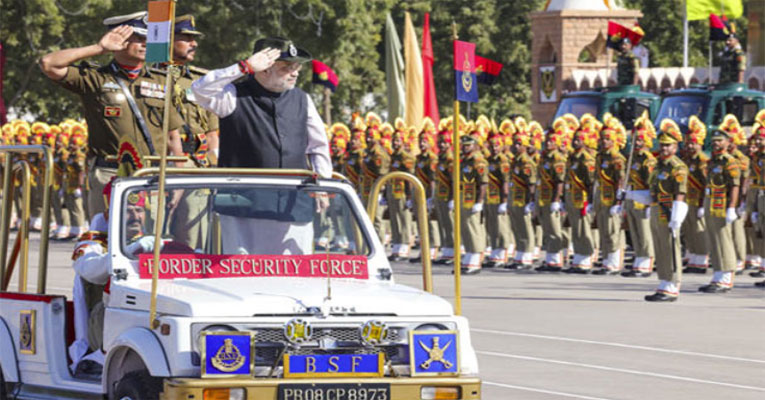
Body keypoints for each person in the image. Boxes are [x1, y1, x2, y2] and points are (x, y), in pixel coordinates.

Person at [38, 11, 186, 217]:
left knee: (149, 243)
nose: (145, 44)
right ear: (119, 40)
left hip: (153, 175)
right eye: (139, 39)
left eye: (149, 39)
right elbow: (48, 63)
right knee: (105, 239)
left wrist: (178, 178)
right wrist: (98, 48)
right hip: (110, 173)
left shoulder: (161, 81)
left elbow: (172, 136)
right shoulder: (95, 78)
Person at [190, 37, 330, 177]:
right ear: (264, 69)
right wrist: (244, 67)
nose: (295, 73)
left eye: (297, 67)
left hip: (294, 194)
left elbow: (318, 147)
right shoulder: (233, 96)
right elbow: (199, 89)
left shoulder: (302, 99)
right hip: (243, 194)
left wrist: (322, 186)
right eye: (287, 67)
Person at [154, 14, 219, 251]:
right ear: (168, 41)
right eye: (186, 38)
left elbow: (212, 132)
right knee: (151, 232)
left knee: (193, 238)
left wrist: (216, 167)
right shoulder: (150, 78)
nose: (194, 44)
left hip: (196, 164)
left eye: (194, 39)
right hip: (159, 162)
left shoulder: (202, 80)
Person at [630, 119, 689, 302]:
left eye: (668, 145)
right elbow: (652, 192)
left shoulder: (677, 167)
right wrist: (630, 195)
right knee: (660, 247)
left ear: (676, 146)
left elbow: (680, 192)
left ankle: (673, 284)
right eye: (662, 145)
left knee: (671, 248)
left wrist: (677, 217)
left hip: (670, 210)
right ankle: (663, 282)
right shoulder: (658, 166)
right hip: (657, 209)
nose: (664, 148)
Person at [699, 128, 741, 293]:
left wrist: (732, 207)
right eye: (714, 140)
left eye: (720, 140)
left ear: (728, 142)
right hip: (711, 203)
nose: (716, 143)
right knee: (713, 240)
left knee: (724, 241)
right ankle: (717, 275)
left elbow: (735, 185)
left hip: (722, 204)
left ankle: (726, 277)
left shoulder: (729, 161)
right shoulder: (713, 161)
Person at [622, 113, 656, 277]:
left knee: (644, 233)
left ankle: (646, 262)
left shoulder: (647, 160)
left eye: (640, 140)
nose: (636, 143)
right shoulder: (632, 159)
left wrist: (651, 204)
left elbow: (651, 184)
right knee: (635, 232)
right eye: (635, 140)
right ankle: (638, 260)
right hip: (632, 199)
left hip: (643, 201)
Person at [564, 116, 598, 273]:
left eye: (579, 139)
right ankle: (578, 259)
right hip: (572, 196)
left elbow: (591, 183)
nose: (575, 141)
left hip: (582, 198)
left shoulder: (587, 159)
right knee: (575, 228)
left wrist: (591, 202)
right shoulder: (572, 157)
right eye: (574, 139)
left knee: (584, 229)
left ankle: (586, 258)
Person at [593, 116, 627, 275]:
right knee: (604, 229)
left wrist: (619, 201)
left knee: (613, 230)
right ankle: (606, 260)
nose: (604, 142)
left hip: (612, 197)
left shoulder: (617, 158)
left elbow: (620, 178)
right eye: (602, 138)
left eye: (608, 139)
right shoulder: (600, 156)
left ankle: (614, 262)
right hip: (601, 197)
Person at [536, 121, 568, 272]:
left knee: (555, 230)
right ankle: (550, 259)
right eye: (547, 141)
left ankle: (556, 259)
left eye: (551, 141)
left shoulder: (557, 158)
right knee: (547, 229)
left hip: (552, 198)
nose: (548, 143)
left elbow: (559, 181)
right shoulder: (545, 157)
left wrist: (557, 200)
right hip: (543, 197)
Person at [681, 116, 711, 273]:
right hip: (687, 200)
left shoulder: (702, 161)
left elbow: (707, 184)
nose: (690, 146)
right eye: (689, 143)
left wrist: (703, 204)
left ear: (700, 143)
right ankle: (692, 258)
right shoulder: (687, 159)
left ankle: (701, 260)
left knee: (699, 231)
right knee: (689, 229)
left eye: (693, 143)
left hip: (698, 200)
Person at [507, 124, 537, 270]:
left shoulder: (526, 162)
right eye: (515, 143)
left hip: (523, 199)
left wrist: (531, 202)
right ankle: (519, 255)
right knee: (517, 227)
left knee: (525, 228)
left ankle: (527, 256)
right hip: (515, 199)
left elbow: (531, 184)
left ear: (525, 146)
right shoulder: (515, 160)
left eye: (519, 144)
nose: (516, 146)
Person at [459, 135, 488, 274]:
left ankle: (476, 258)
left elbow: (483, 183)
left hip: (472, 198)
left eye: (468, 145)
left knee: (473, 228)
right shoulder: (465, 160)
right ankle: (469, 255)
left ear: (475, 145)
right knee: (465, 227)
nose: (465, 148)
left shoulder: (478, 161)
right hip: (464, 198)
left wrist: (479, 202)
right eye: (464, 145)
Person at [387, 120, 416, 261]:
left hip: (404, 192)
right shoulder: (394, 156)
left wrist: (410, 197)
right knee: (394, 218)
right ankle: (397, 244)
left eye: (398, 140)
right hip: (393, 190)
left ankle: (404, 246)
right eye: (394, 140)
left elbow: (410, 178)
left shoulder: (406, 157)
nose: (395, 143)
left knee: (404, 219)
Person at [484, 134, 512, 268]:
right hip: (490, 197)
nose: (494, 148)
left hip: (499, 198)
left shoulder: (503, 161)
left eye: (497, 145)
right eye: (492, 146)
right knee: (492, 226)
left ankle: (502, 254)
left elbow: (505, 181)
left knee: (501, 227)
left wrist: (504, 201)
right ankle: (494, 252)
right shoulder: (489, 160)